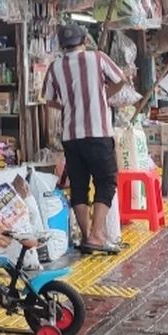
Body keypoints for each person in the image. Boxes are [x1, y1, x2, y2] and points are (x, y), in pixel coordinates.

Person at [43, 23, 125, 255]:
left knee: (79, 186)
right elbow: (120, 79)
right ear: (85, 42)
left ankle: (88, 236)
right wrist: (103, 95)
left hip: (71, 136)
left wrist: (70, 105)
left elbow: (48, 99)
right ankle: (98, 235)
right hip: (98, 132)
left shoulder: (55, 67)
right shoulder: (97, 58)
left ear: (61, 46)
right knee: (106, 182)